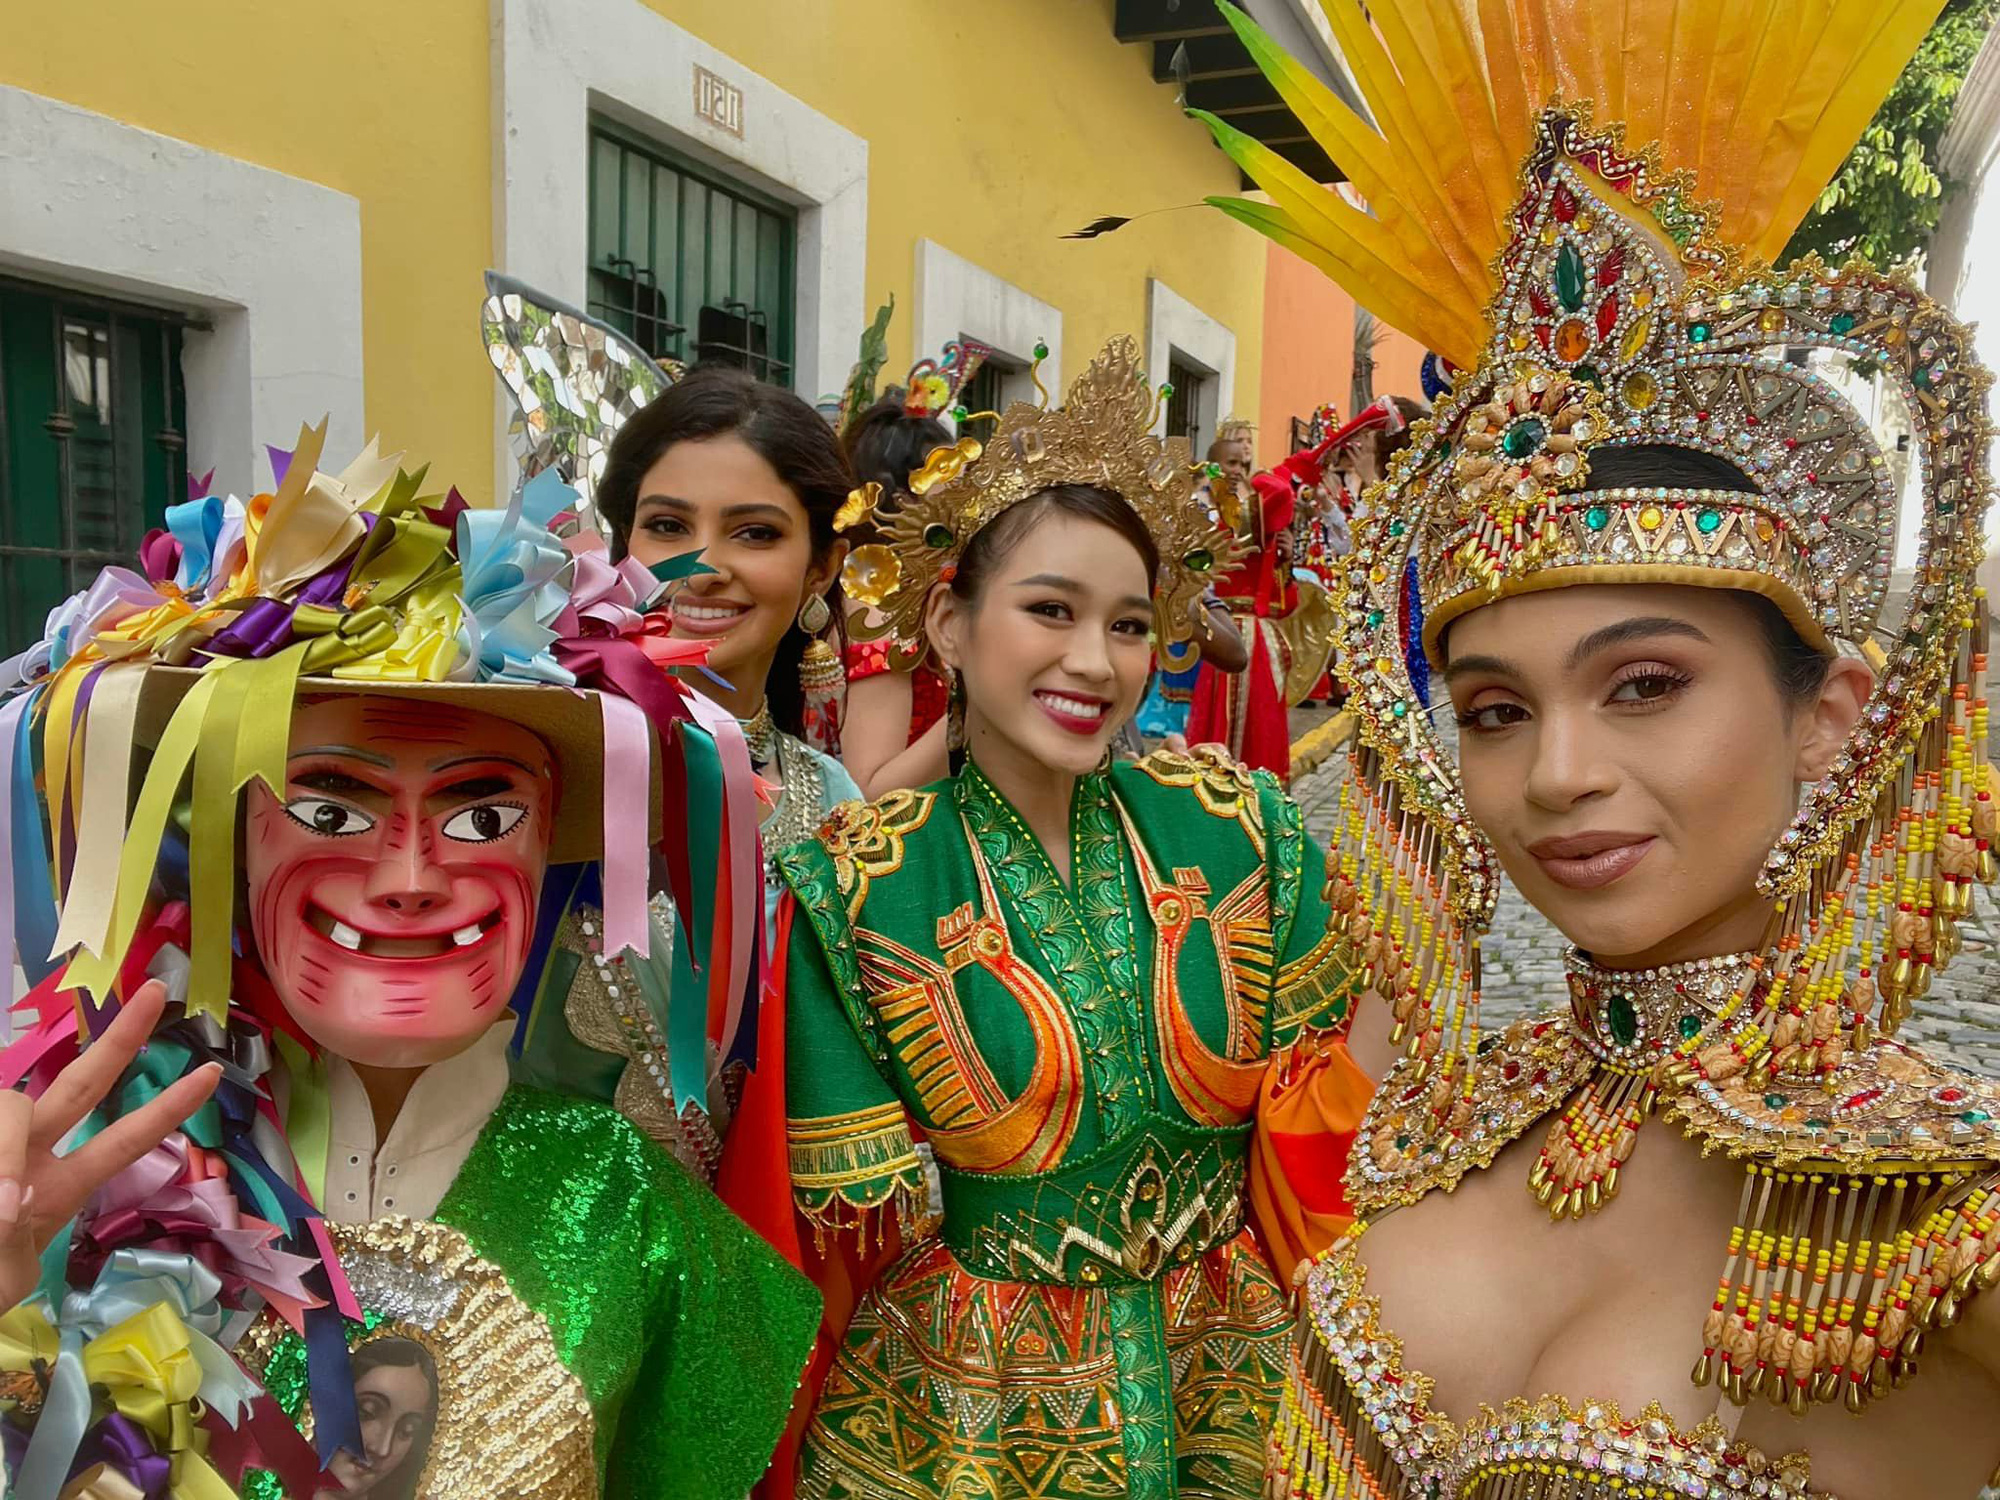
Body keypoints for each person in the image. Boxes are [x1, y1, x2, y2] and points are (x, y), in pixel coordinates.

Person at [1197, 1, 2000, 1494]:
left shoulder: (1934, 1229)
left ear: (1832, 718)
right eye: (1495, 710)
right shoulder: (1445, 1119)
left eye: (1642, 685)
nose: (1553, 774)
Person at [0, 427, 819, 1498]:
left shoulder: (631, 1207)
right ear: (231, 845)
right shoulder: (90, 1171)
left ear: (552, 848)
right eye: (330, 807)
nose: (409, 875)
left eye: (482, 813)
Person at [747, 338, 1376, 1499]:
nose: (1095, 661)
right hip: (973, 1415)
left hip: (1240, 1372)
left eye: (1130, 625)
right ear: (948, 629)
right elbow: (842, 1241)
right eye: (1050, 609)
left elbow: (1332, 1124)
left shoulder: (1239, 826)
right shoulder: (855, 886)